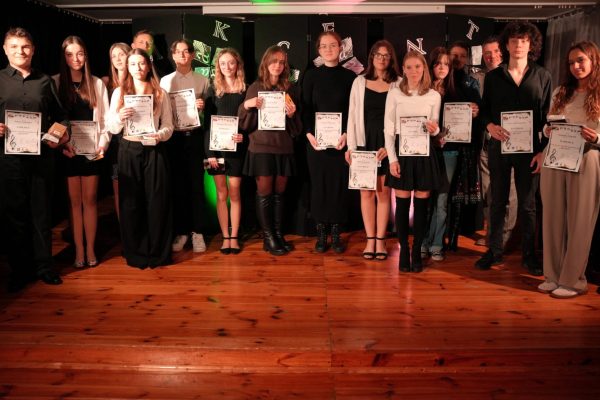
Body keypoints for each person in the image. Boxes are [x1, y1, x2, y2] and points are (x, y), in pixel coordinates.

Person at [475, 21, 552, 276]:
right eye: (514, 40)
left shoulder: (543, 76)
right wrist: (490, 126)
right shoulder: (494, 77)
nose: (519, 45)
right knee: (497, 201)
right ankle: (494, 251)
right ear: (506, 45)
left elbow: (548, 118)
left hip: (530, 151)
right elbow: (484, 111)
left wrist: (543, 151)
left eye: (524, 41)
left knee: (528, 205)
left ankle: (529, 256)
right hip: (499, 147)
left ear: (531, 45)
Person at [0, 27, 69, 289]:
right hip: (8, 161)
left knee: (41, 214)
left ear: (33, 50)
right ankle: (20, 271)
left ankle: (45, 267)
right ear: (5, 50)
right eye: (14, 47)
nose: (20, 51)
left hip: (41, 159)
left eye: (25, 46)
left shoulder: (45, 81)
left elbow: (62, 118)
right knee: (14, 216)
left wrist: (58, 135)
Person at [538, 41, 600, 298]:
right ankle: (552, 276)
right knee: (552, 217)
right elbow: (549, 123)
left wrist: (596, 137)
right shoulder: (561, 91)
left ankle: (573, 280)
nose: (576, 66)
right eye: (571, 62)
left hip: (587, 158)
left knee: (580, 220)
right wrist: (546, 131)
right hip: (556, 157)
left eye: (581, 60)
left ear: (593, 60)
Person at [107, 48, 174, 268]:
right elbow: (112, 127)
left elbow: (169, 126)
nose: (138, 68)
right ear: (127, 67)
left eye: (142, 63)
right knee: (131, 204)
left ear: (148, 65)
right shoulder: (119, 93)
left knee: (157, 202)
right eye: (133, 64)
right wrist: (120, 116)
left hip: (154, 150)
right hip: (129, 149)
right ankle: (135, 253)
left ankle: (158, 253)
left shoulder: (160, 92)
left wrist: (159, 135)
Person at [238, 45, 302, 256]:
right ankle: (268, 237)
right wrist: (247, 105)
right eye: (274, 61)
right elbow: (245, 124)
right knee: (265, 193)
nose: (278, 65)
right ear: (266, 63)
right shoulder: (256, 87)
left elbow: (297, 129)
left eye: (282, 62)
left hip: (283, 148)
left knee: (279, 194)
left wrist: (292, 115)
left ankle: (277, 234)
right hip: (261, 148)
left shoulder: (290, 89)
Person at [54, 35, 110, 268]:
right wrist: (61, 144)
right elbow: (53, 120)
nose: (75, 59)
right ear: (64, 57)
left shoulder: (96, 83)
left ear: (86, 55)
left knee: (90, 201)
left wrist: (102, 145)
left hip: (91, 152)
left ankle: (90, 249)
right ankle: (78, 251)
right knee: (74, 203)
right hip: (67, 152)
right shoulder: (55, 82)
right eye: (70, 54)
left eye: (80, 53)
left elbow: (105, 122)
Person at [384, 50, 443, 273]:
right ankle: (404, 250)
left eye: (417, 66)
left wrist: (434, 129)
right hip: (402, 152)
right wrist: (392, 159)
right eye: (409, 67)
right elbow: (388, 129)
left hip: (424, 152)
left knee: (421, 206)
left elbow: (435, 129)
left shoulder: (434, 96)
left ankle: (417, 249)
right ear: (403, 70)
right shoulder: (394, 94)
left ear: (424, 68)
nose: (413, 71)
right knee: (401, 206)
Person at [421, 46, 481, 261]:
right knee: (425, 199)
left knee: (442, 199)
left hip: (450, 152)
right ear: (431, 65)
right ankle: (422, 241)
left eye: (446, 64)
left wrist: (474, 110)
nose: (442, 67)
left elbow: (473, 112)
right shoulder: (422, 91)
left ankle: (437, 243)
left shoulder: (458, 91)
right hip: (425, 152)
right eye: (438, 63)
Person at [346, 40, 401, 260]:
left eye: (386, 55)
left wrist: (390, 147)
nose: (382, 58)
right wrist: (351, 147)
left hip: (386, 145)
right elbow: (352, 116)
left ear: (391, 59)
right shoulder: (359, 82)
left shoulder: (399, 83)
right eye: (378, 54)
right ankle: (370, 240)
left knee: (383, 193)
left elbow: (402, 118)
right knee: (366, 193)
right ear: (372, 57)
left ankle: (381, 240)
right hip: (363, 143)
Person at [302, 31, 356, 253]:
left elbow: (353, 111)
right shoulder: (311, 76)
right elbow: (305, 109)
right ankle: (321, 233)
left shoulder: (350, 77)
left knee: (338, 187)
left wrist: (346, 134)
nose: (328, 49)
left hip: (341, 143)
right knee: (319, 187)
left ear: (340, 48)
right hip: (316, 143)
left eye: (333, 45)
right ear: (318, 50)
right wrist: (309, 134)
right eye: (324, 46)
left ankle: (336, 233)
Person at [160, 39, 210, 254]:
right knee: (178, 187)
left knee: (196, 187)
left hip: (195, 137)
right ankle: (182, 231)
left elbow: (210, 114)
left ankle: (198, 232)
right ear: (173, 55)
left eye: (186, 51)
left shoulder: (203, 81)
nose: (182, 55)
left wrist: (202, 106)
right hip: (174, 139)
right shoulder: (165, 81)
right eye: (178, 52)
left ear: (192, 55)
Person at [204, 48, 247, 254]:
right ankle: (225, 237)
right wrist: (209, 154)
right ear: (218, 67)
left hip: (237, 150)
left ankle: (235, 236)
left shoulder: (245, 90)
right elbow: (207, 125)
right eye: (223, 63)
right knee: (221, 194)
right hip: (216, 151)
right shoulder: (213, 90)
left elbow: (250, 122)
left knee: (235, 193)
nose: (227, 67)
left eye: (231, 62)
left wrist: (243, 136)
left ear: (237, 64)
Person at [476, 36, 517, 249]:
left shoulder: (513, 75)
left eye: (495, 51)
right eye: (487, 53)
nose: (491, 56)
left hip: (508, 142)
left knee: (508, 192)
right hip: (485, 143)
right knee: (487, 192)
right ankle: (492, 233)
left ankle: (504, 237)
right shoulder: (477, 79)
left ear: (503, 52)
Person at [102, 42, 131, 220]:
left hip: (136, 141)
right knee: (119, 190)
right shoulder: (107, 85)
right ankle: (123, 230)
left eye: (122, 54)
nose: (118, 59)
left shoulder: (139, 81)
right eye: (114, 56)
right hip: (115, 142)